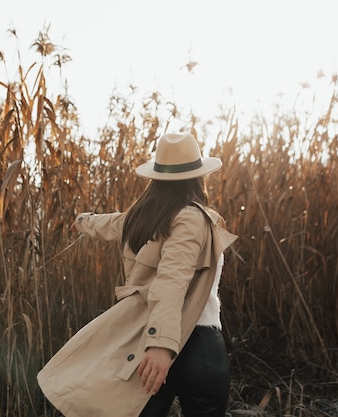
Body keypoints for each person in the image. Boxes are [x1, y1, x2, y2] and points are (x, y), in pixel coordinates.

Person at [37, 132, 238, 417]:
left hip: (150, 342)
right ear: (197, 176)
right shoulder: (192, 217)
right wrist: (162, 346)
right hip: (194, 346)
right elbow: (172, 281)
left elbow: (110, 223)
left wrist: (81, 221)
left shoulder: (147, 216)